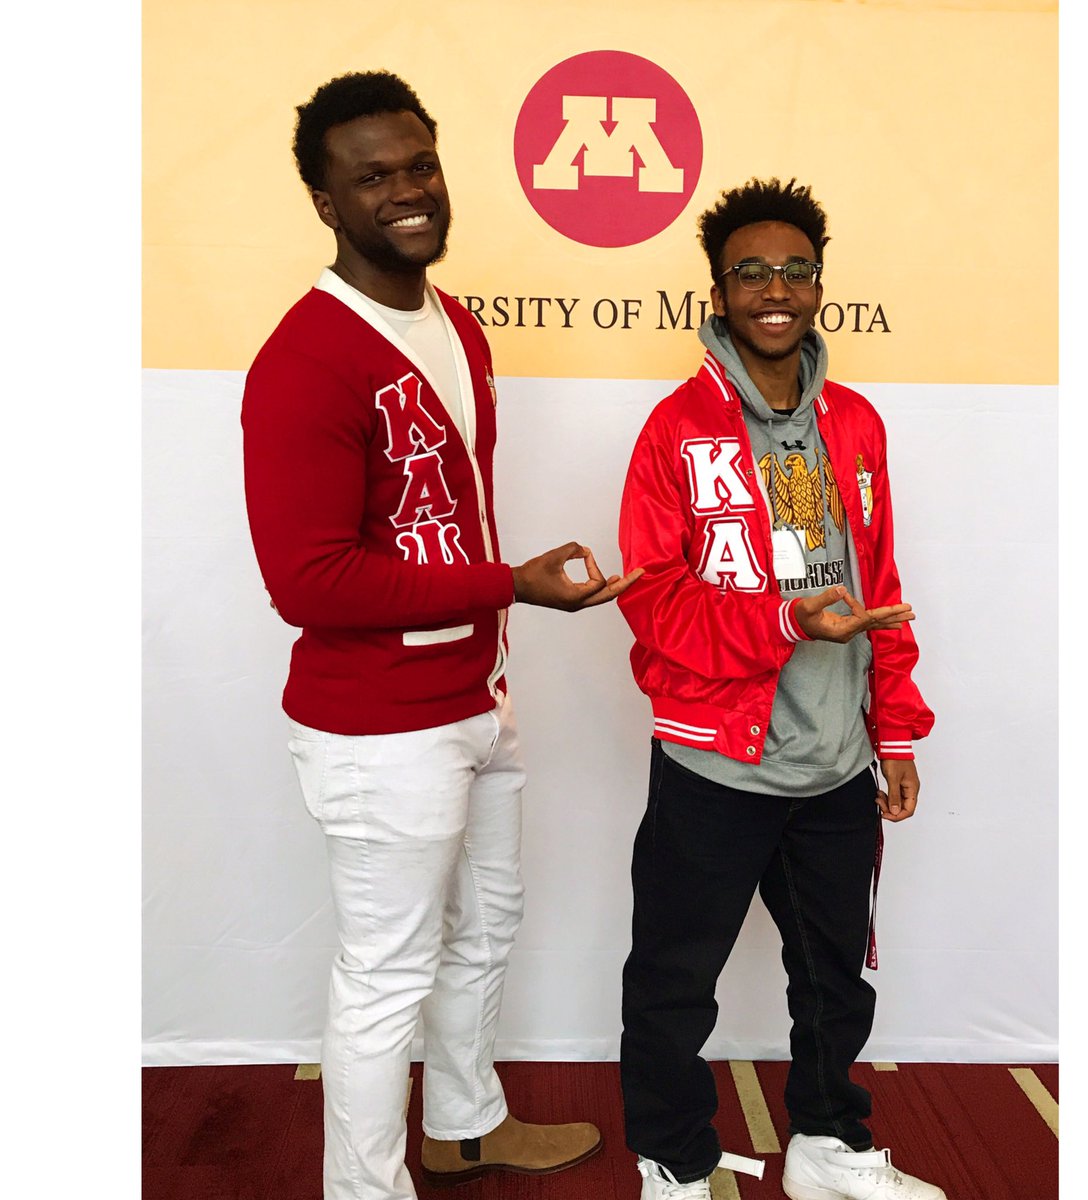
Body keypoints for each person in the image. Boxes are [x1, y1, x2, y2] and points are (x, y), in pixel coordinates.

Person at [241, 70, 640, 1200]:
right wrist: (505, 586)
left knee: (488, 926)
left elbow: (437, 520)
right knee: (384, 975)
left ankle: (464, 1126)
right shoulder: (305, 361)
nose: (408, 192)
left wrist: (496, 625)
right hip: (377, 732)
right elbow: (307, 581)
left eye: (420, 165)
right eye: (373, 177)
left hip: (478, 696)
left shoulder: (455, 322)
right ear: (326, 201)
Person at [615, 178, 943, 1200]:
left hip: (835, 761)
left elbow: (871, 586)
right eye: (751, 270)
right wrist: (782, 622)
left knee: (835, 977)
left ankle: (825, 1147)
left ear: (819, 287)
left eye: (796, 269)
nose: (776, 288)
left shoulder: (848, 427)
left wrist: (893, 729)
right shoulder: (676, 431)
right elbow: (655, 602)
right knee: (674, 982)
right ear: (716, 291)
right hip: (716, 760)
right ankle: (672, 1161)